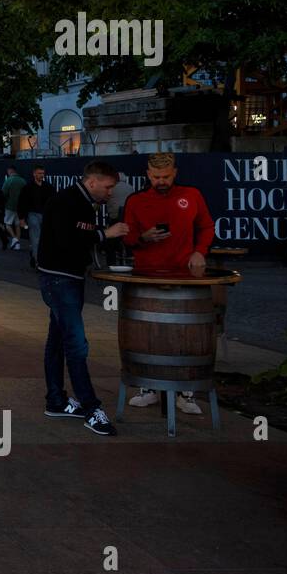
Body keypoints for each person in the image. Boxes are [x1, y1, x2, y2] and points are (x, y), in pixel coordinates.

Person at [36, 159, 131, 437]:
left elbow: (73, 238)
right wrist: (105, 233)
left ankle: (56, 400)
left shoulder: (75, 201)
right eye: (108, 186)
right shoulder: (68, 202)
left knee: (58, 341)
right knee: (76, 344)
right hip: (59, 279)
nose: (111, 192)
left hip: (62, 278)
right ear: (92, 182)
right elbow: (69, 240)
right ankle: (91, 408)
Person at [121, 152, 215, 415]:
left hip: (184, 275)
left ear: (175, 173)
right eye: (155, 177)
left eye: (165, 176)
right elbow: (126, 237)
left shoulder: (192, 195)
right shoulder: (136, 200)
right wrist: (143, 237)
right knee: (149, 331)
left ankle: (186, 392)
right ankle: (147, 387)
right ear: (147, 175)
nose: (160, 181)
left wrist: (200, 251)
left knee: (184, 333)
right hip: (146, 274)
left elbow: (207, 227)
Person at [17, 165, 56, 270]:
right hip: (33, 214)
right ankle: (39, 262)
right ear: (34, 174)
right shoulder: (28, 188)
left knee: (44, 239)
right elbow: (22, 203)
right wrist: (21, 218)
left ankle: (37, 257)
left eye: (43, 173)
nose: (41, 175)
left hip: (45, 215)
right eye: (39, 173)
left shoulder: (48, 187)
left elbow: (54, 202)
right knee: (36, 239)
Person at [2, 165, 27, 251]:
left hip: (10, 206)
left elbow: (4, 193)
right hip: (21, 207)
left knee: (7, 223)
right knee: (17, 225)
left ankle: (14, 239)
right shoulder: (23, 181)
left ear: (10, 171)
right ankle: (17, 244)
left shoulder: (9, 180)